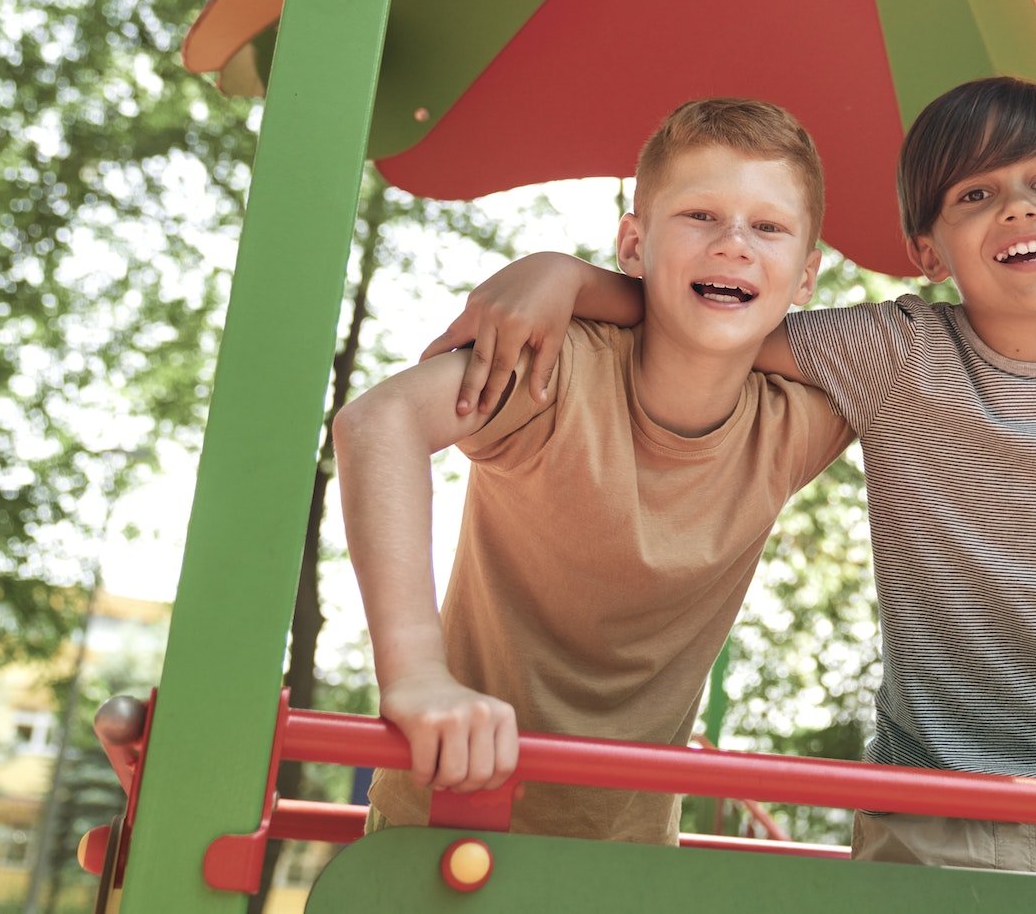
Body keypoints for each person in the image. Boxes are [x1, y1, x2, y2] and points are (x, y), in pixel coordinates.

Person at [427, 77, 1036, 880]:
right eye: (973, 195)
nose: (1017, 205)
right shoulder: (894, 355)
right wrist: (560, 272)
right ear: (924, 252)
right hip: (918, 821)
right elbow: (714, 307)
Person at [332, 97, 858, 844]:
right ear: (633, 245)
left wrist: (570, 274)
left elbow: (970, 355)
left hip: (631, 850)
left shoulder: (795, 421)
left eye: (767, 226)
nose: (735, 244)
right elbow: (377, 421)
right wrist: (417, 676)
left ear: (805, 277)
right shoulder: (552, 369)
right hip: (446, 818)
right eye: (701, 215)